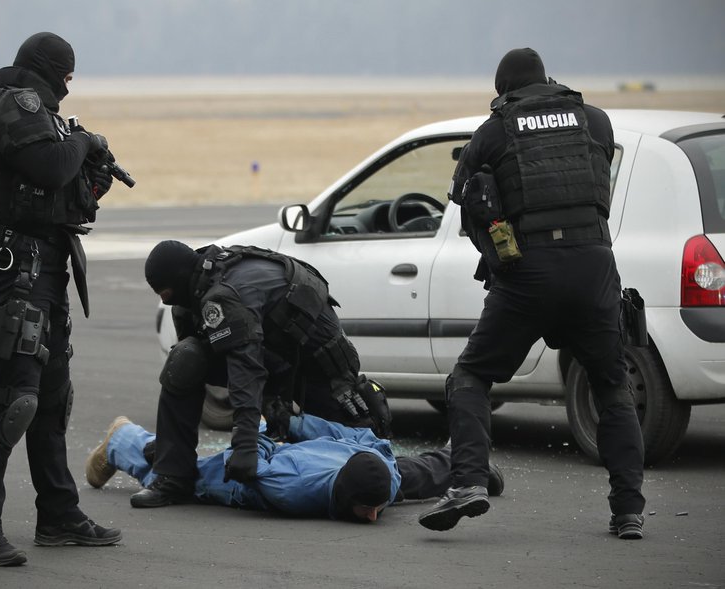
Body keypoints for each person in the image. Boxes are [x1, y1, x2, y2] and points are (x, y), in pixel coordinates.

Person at [418, 48, 645, 538]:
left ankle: (468, 483)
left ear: (504, 90)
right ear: (546, 79)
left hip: (528, 275)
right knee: (611, 386)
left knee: (471, 376)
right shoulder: (596, 121)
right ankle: (628, 510)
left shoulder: (494, 131)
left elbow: (467, 205)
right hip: (594, 266)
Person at [0, 32, 123, 566]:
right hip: (14, 269)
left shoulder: (43, 117)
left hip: (46, 266)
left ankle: (58, 515)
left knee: (52, 402)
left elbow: (64, 191)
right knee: (15, 403)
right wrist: (88, 143)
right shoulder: (12, 106)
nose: (67, 88)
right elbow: (53, 167)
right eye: (66, 77)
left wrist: (90, 174)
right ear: (50, 69)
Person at [136, 240, 393, 508]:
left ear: (177, 280)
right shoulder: (192, 292)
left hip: (322, 372)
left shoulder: (224, 295)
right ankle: (173, 475)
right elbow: (197, 365)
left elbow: (245, 368)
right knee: (185, 359)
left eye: (165, 292)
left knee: (362, 464)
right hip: (273, 356)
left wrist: (245, 444)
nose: (164, 300)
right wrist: (172, 446)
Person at [85, 413, 504, 522]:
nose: (376, 516)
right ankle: (124, 441)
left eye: (375, 507)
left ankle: (470, 463)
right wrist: (269, 433)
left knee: (416, 474)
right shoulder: (291, 489)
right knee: (183, 477)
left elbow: (365, 439)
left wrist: (300, 424)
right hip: (250, 471)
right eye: (368, 510)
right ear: (342, 498)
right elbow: (245, 463)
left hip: (335, 460)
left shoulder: (382, 473)